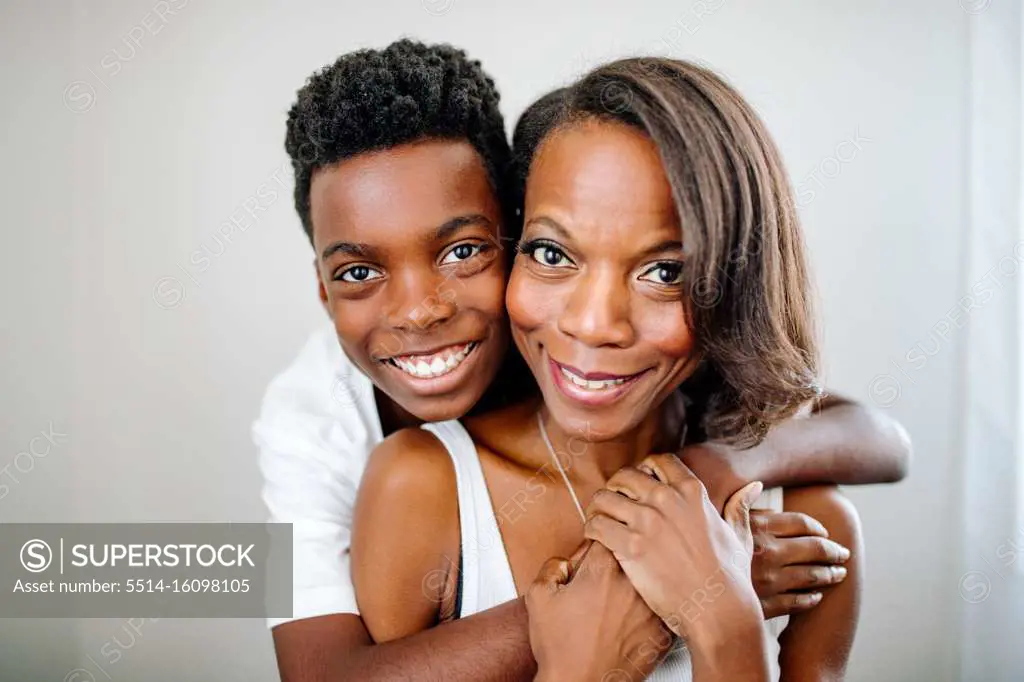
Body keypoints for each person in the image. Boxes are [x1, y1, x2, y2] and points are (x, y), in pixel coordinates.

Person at [255, 41, 911, 681]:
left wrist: (716, 493)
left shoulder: (797, 519)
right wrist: (644, 592)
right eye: (555, 255)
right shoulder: (329, 433)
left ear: (507, 232)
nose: (419, 311)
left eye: (663, 270)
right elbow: (321, 673)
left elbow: (877, 438)